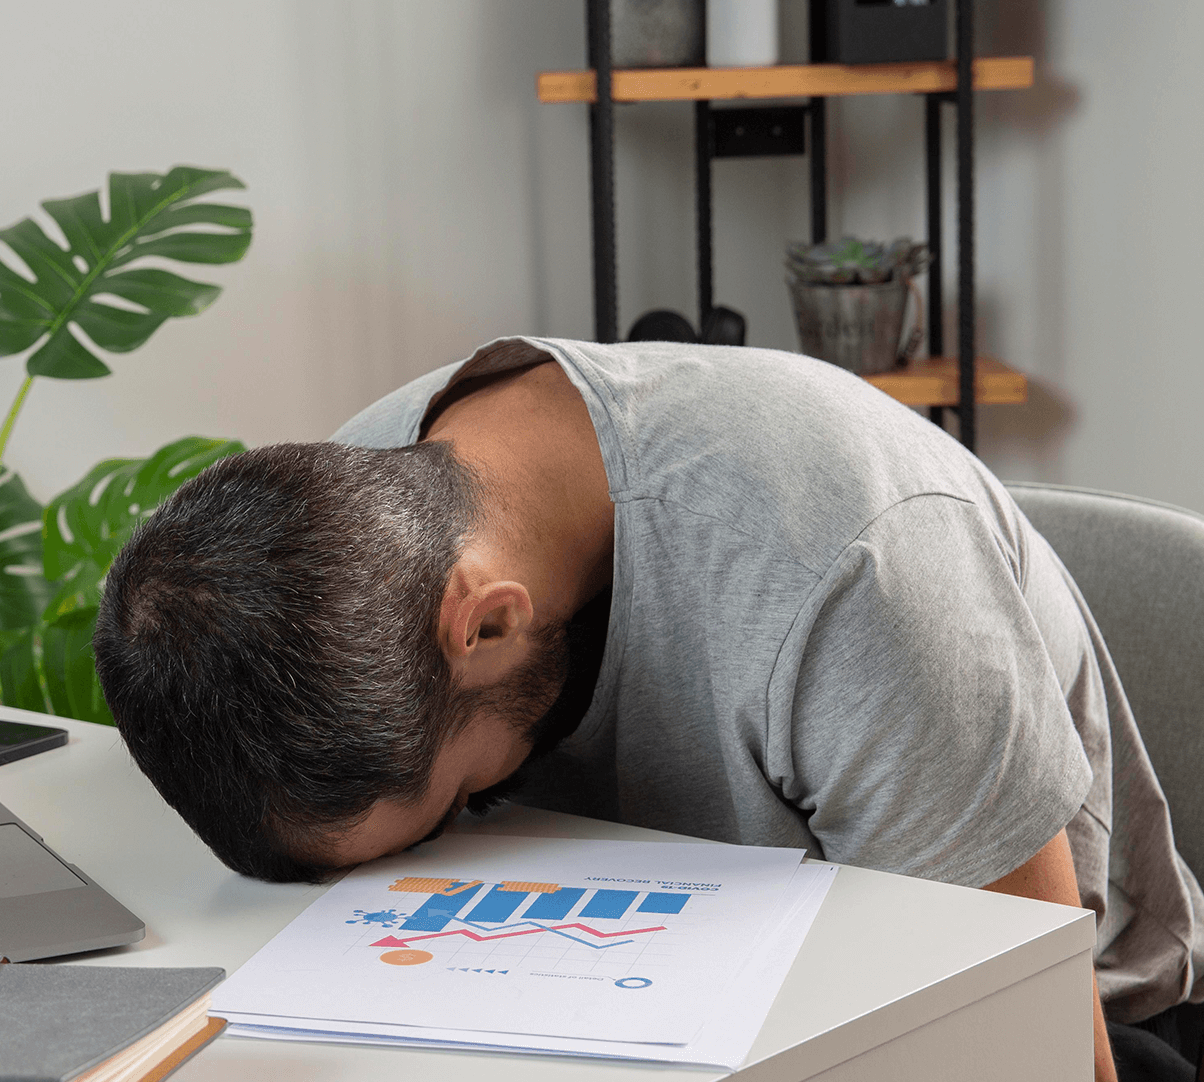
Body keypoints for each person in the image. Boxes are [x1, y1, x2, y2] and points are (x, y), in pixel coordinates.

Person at [94, 336, 1204, 1082]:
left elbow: (1031, 1045)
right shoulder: (358, 514)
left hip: (1046, 1017)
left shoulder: (855, 570)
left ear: (484, 626)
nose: (449, 830)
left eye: (453, 806)